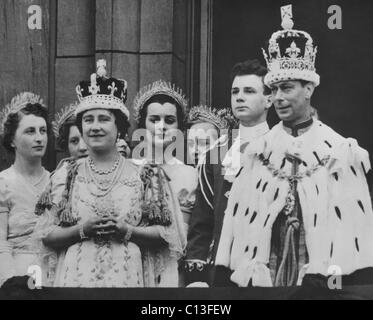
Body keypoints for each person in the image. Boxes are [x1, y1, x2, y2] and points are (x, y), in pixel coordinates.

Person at [215, 5, 373, 287]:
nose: (278, 98)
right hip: (266, 281)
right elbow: (237, 226)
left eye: (286, 88)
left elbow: (353, 233)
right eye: (273, 90)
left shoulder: (339, 151)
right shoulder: (257, 151)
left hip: (320, 285)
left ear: (309, 89)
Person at [36, 61, 185, 288]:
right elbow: (46, 234)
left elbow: (167, 235)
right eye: (88, 120)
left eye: (104, 119)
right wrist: (81, 230)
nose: (95, 127)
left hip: (127, 281)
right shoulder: (65, 175)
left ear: (120, 127)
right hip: (75, 282)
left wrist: (128, 231)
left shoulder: (146, 174)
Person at [185, 59, 272, 287]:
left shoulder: (281, 147)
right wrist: (197, 277)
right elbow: (202, 220)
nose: (240, 97)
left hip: (268, 264)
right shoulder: (217, 152)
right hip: (223, 266)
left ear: (269, 100)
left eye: (249, 91)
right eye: (235, 91)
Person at [132, 80, 198, 286]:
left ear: (179, 126)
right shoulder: (129, 169)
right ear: (143, 124)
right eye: (154, 119)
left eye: (169, 120)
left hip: (172, 267)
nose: (161, 126)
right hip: (132, 261)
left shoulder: (190, 174)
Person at [0, 93, 50, 286]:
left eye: (43, 131)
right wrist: (11, 283)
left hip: (55, 272)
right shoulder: (4, 183)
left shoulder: (57, 180)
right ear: (12, 140)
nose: (39, 138)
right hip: (17, 276)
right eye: (30, 131)